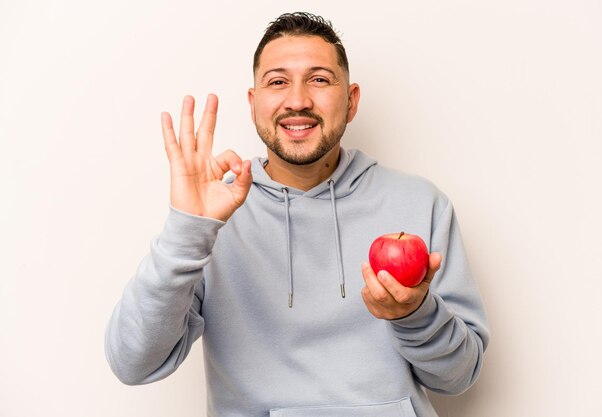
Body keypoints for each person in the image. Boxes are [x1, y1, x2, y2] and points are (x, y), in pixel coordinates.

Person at [105, 11, 490, 417]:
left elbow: (458, 377)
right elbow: (133, 364)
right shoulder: (214, 218)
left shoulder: (420, 204)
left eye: (320, 79)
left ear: (352, 100)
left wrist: (415, 314)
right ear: (254, 104)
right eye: (277, 82)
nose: (298, 100)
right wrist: (188, 230)